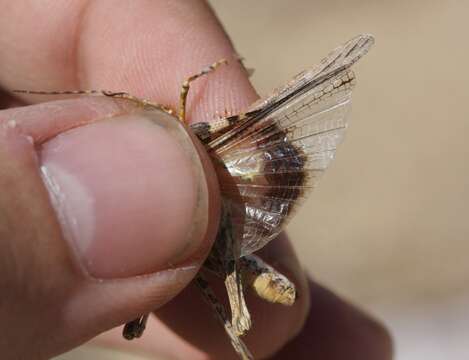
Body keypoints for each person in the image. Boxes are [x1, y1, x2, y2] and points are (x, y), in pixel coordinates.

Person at [0, 1, 392, 359]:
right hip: (210, 244)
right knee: (207, 306)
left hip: (220, 233)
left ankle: (237, 329)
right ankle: (236, 331)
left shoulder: (188, 139)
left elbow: (196, 92)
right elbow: (188, 84)